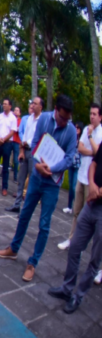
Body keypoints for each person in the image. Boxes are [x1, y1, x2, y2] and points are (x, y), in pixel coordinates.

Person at [0, 94, 78, 282]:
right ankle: (13, 249)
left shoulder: (71, 131)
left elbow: (69, 157)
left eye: (68, 118)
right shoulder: (44, 120)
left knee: (44, 224)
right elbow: (35, 143)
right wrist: (39, 164)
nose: (65, 121)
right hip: (37, 176)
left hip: (53, 183)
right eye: (62, 117)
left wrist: (52, 168)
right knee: (24, 214)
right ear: (56, 110)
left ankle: (33, 263)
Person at [47, 123, 102, 314]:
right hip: (92, 204)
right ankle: (67, 288)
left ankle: (78, 296)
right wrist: (93, 185)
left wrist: (99, 192)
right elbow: (95, 163)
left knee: (95, 260)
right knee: (75, 246)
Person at [58, 104, 101, 250]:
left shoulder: (99, 133)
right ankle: (71, 239)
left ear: (100, 117)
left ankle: (85, 246)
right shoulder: (86, 129)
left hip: (93, 180)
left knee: (90, 215)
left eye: (95, 114)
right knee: (76, 212)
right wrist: (93, 152)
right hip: (82, 176)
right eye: (91, 113)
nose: (92, 116)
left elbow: (98, 153)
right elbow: (80, 148)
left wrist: (90, 137)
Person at [6, 99, 42, 212]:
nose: (32, 105)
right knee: (21, 179)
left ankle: (26, 208)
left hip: (34, 151)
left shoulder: (42, 120)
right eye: (32, 103)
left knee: (31, 180)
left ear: (41, 106)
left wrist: (28, 143)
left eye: (35, 104)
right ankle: (17, 205)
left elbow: (39, 136)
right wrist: (21, 150)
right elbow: (25, 134)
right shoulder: (29, 118)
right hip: (25, 149)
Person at [12, 106, 22, 182]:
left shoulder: (20, 121)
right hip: (10, 140)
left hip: (17, 141)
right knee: (7, 156)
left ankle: (15, 176)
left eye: (17, 110)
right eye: (15, 110)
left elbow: (19, 130)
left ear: (20, 113)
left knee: (16, 160)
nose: (15, 111)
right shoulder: (11, 119)